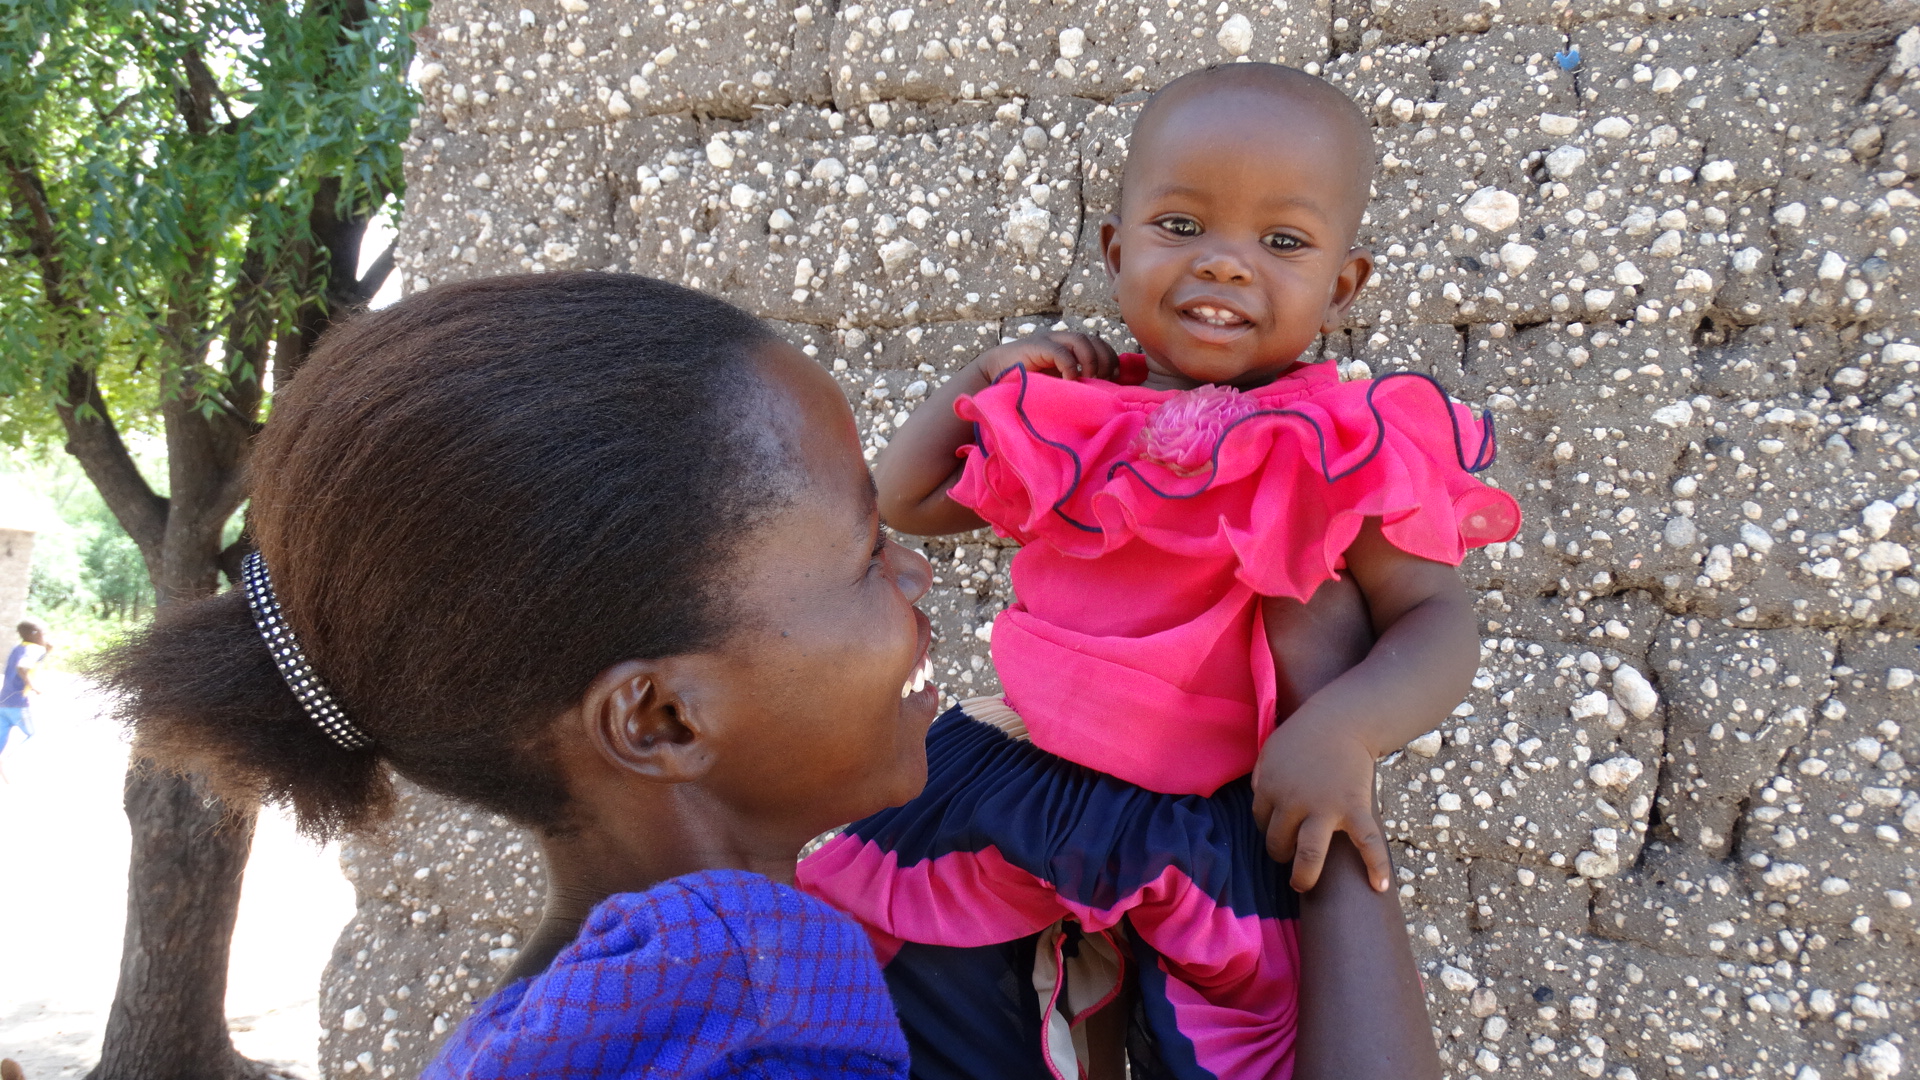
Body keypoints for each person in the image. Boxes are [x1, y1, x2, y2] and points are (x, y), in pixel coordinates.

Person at [799, 63, 1520, 1079]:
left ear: (1341, 286)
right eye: (1182, 227)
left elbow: (1436, 618)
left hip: (1215, 828)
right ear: (1115, 249)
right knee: (928, 1018)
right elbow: (910, 502)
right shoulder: (1077, 418)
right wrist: (979, 381)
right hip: (1016, 790)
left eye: (1280, 242)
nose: (1225, 267)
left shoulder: (1341, 444)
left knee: (1225, 1052)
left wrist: (1347, 729)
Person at [97, 273, 939, 1078]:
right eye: (869, 551)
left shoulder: (593, 1024)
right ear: (659, 721)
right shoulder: (762, 1047)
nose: (917, 573)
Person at [0, 619, 49, 773]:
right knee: (33, 735)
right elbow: (22, 667)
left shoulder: (18, 648)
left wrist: (48, 650)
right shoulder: (34, 649)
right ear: (35, 634)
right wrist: (33, 687)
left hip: (4, 701)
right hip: (19, 702)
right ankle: (7, 761)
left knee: (2, 736)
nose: (45, 636)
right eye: (44, 633)